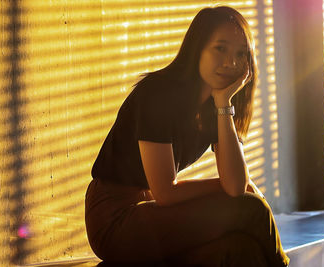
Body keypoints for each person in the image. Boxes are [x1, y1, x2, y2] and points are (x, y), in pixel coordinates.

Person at [85, 6, 290, 266]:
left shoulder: (215, 107)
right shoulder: (157, 94)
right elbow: (166, 192)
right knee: (252, 208)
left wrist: (224, 103)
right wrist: (222, 186)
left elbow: (236, 184)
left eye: (241, 54)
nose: (232, 62)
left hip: (155, 216)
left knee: (240, 248)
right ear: (197, 48)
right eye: (220, 48)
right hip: (115, 219)